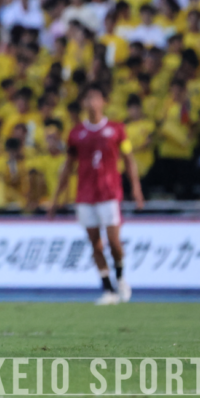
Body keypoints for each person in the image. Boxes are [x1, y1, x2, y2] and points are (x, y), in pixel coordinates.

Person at [48, 83, 144, 305]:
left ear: (104, 102)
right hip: (85, 195)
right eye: (88, 98)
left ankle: (121, 276)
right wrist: (55, 199)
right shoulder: (76, 134)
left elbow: (129, 159)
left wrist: (136, 188)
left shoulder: (117, 130)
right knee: (95, 244)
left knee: (114, 242)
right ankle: (108, 289)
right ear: (83, 103)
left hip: (109, 193)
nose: (91, 102)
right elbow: (68, 166)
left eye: (95, 97)